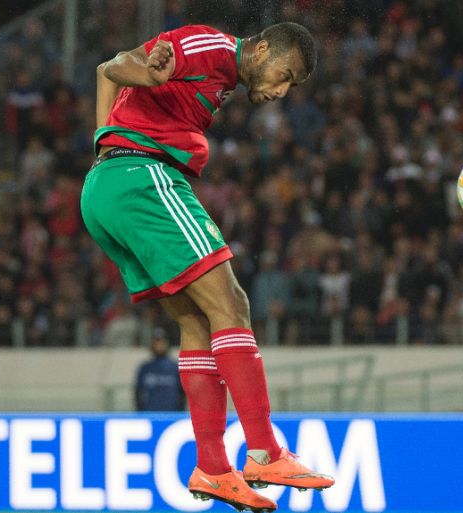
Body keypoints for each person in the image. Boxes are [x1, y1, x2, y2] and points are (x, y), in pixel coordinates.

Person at [81, 21, 333, 512]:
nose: (282, 91)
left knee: (197, 322)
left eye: (292, 86)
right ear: (262, 49)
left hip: (110, 186)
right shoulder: (212, 47)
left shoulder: (221, 77)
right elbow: (116, 65)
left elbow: (102, 73)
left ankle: (213, 469)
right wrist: (145, 73)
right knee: (232, 305)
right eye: (284, 75)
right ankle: (265, 452)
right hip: (142, 177)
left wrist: (102, 146)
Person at [134, 331, 184, 411]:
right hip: (150, 413)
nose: (159, 346)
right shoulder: (145, 368)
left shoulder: (175, 367)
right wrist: (141, 412)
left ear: (167, 344)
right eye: (156, 342)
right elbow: (138, 392)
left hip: (172, 413)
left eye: (162, 342)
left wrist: (180, 411)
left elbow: (182, 393)